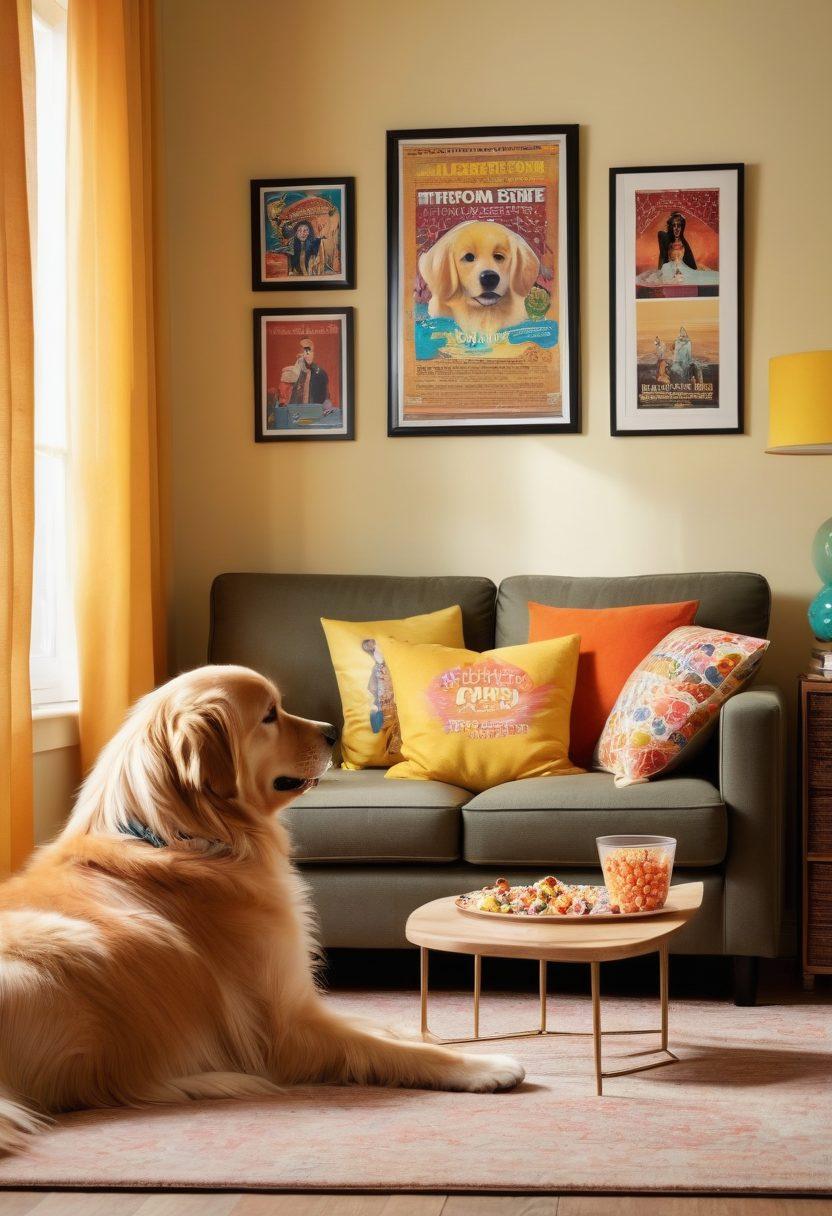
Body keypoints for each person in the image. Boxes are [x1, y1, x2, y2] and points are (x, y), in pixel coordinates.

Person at [289, 339, 330, 406]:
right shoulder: (293, 374)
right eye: (303, 352)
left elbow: (326, 399)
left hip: (314, 412)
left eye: (309, 351)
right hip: (296, 413)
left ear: (313, 353)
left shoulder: (320, 374)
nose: (306, 355)